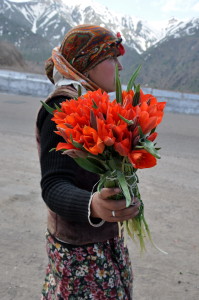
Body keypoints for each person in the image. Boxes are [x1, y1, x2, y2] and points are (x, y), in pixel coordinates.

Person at [36, 24, 140, 300]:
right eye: (112, 58)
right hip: (79, 248)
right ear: (88, 63)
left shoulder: (91, 101)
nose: (119, 67)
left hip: (101, 238)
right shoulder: (62, 106)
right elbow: (53, 183)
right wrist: (92, 204)